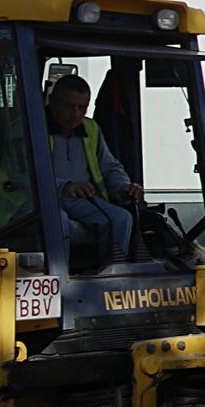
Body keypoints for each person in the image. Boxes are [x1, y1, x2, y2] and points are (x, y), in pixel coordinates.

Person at [44, 73, 142, 268]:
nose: (76, 115)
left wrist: (122, 187)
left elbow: (110, 166)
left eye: (82, 108)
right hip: (40, 201)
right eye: (68, 107)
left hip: (81, 201)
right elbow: (22, 176)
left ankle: (110, 277)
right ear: (52, 103)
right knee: (59, 221)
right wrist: (65, 187)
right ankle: (58, 280)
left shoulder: (91, 128)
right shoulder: (32, 127)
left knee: (121, 218)